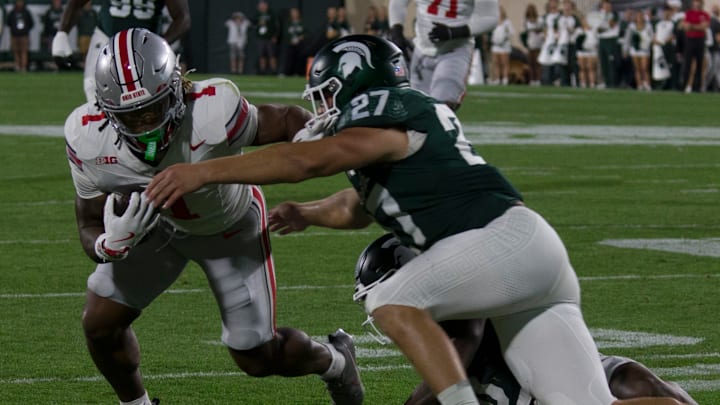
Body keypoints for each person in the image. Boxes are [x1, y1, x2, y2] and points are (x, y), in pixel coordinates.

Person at [145, 34, 685, 405]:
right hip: (527, 258)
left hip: (503, 242)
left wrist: (202, 172)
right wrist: (305, 214)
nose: (322, 106)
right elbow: (357, 206)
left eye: (327, 93)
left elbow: (309, 160)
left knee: (392, 300)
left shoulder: (385, 111)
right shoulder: (393, 137)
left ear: (355, 83)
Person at [63, 28, 363, 405]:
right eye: (132, 117)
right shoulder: (87, 137)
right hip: (155, 229)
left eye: (154, 108)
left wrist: (309, 138)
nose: (147, 125)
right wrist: (108, 245)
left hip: (229, 227)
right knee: (100, 323)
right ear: (107, 112)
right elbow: (88, 223)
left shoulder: (212, 109)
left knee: (256, 356)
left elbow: (286, 119)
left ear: (176, 88)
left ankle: (336, 360)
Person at [353, 233, 699, 405]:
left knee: (633, 384)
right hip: (515, 391)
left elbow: (465, 342)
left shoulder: (464, 306)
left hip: (574, 380)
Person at [52, 0, 190, 103]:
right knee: (94, 89)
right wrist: (61, 34)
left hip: (143, 45)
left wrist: (159, 43)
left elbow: (183, 18)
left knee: (149, 98)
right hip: (106, 38)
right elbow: (76, 3)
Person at [387, 0, 499, 110]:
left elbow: (490, 17)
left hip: (455, 50)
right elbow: (398, 2)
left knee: (441, 107)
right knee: (415, 108)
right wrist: (396, 31)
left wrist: (455, 32)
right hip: (421, 49)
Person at [681, 0, 710, 92]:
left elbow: (704, 26)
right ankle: (684, 85)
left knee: (699, 64)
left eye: (698, 2)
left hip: (700, 40)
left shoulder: (705, 14)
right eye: (695, 2)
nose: (696, 4)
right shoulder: (689, 13)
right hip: (690, 40)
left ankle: (697, 87)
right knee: (687, 63)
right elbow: (685, 26)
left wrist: (692, 26)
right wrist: (697, 26)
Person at [596, 0, 620, 88]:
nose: (606, 7)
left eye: (608, 5)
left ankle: (613, 82)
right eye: (605, 5)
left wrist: (603, 27)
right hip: (602, 40)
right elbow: (597, 28)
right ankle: (606, 81)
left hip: (611, 40)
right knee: (603, 62)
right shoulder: (599, 15)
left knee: (611, 62)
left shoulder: (614, 14)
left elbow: (611, 25)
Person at [6, 0, 34, 72]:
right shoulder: (12, 12)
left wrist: (25, 30)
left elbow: (31, 23)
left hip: (24, 36)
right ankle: (17, 66)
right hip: (14, 35)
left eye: (21, 2)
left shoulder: (26, 12)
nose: (19, 3)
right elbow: (8, 22)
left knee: (24, 51)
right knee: (16, 51)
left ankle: (23, 67)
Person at [252, 0, 278, 75]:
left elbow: (276, 26)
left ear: (266, 6)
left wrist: (275, 36)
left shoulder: (271, 14)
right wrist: (258, 23)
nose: (262, 7)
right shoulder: (257, 15)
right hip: (260, 38)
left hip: (269, 37)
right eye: (260, 6)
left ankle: (274, 71)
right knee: (261, 55)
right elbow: (253, 24)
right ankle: (262, 71)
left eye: (263, 5)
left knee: (272, 55)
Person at [489, 5, 514, 85]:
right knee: (496, 63)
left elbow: (511, 32)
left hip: (504, 46)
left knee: (504, 63)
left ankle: (505, 79)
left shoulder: (507, 22)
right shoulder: (494, 22)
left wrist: (506, 35)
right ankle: (497, 78)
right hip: (495, 46)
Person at [522, 3, 544, 86]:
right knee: (531, 63)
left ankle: (538, 79)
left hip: (538, 44)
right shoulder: (526, 21)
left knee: (537, 63)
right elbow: (526, 31)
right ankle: (532, 79)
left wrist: (534, 27)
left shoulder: (539, 20)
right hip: (530, 44)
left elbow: (540, 30)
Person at [41, 0, 64, 70]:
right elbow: (46, 24)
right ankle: (53, 65)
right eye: (56, 1)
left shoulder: (63, 12)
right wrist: (45, 35)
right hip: (51, 35)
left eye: (58, 1)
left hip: (60, 35)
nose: (57, 3)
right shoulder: (49, 12)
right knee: (52, 51)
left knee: (60, 51)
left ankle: (59, 65)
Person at [283, 7, 306, 77]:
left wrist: (302, 37)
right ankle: (287, 73)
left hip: (300, 44)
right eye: (293, 13)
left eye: (295, 13)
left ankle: (298, 73)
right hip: (290, 44)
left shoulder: (302, 23)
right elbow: (285, 33)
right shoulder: (288, 23)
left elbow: (307, 33)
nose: (294, 14)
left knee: (299, 59)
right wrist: (290, 40)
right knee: (289, 59)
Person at [76, 1, 97, 67]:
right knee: (83, 52)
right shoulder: (80, 12)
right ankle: (84, 64)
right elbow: (77, 24)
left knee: (91, 51)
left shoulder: (93, 12)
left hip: (91, 35)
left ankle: (90, 64)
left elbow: (96, 23)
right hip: (82, 35)